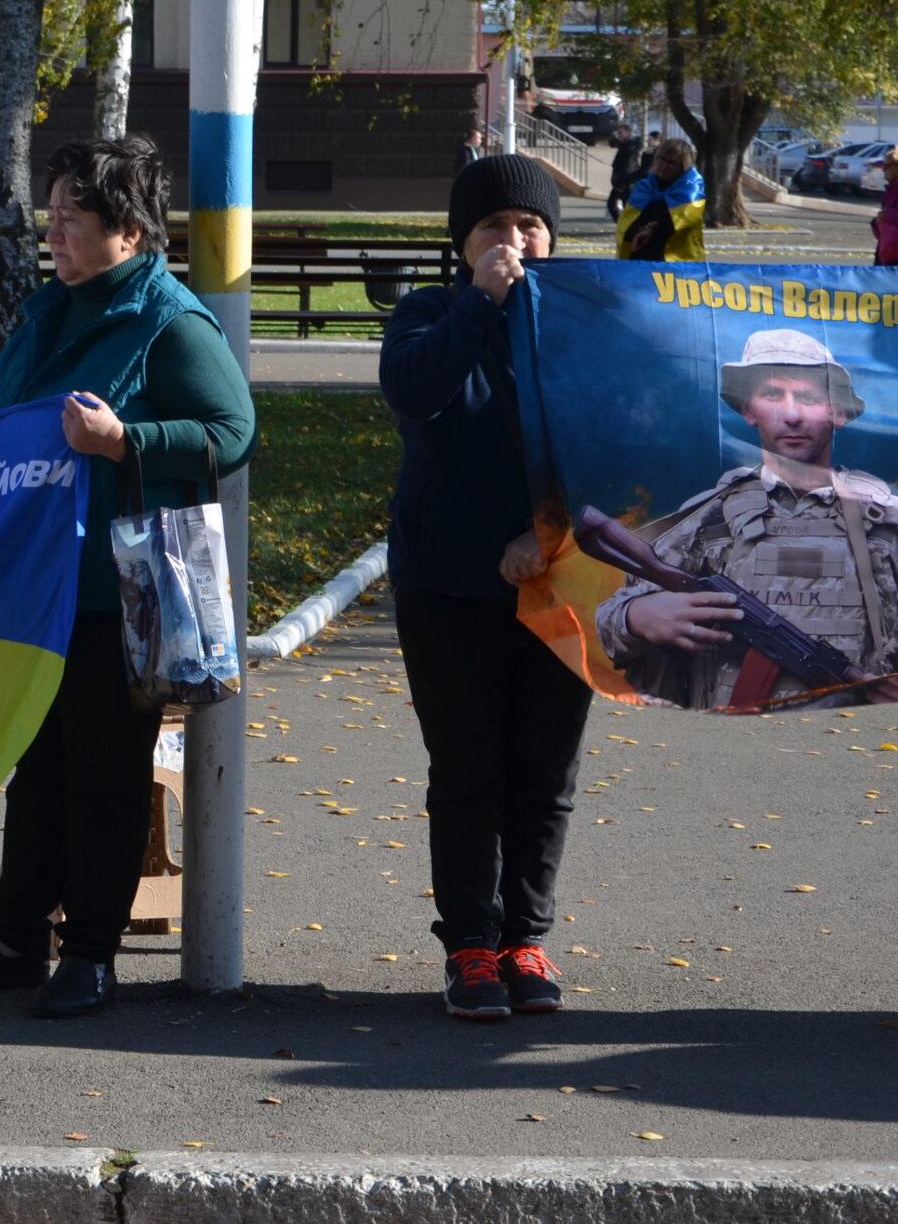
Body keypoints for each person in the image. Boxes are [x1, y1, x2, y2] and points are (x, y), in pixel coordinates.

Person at [0, 136, 256, 1019]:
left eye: (74, 217)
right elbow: (7, 418)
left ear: (131, 233)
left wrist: (126, 442)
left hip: (116, 594)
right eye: (51, 214)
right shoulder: (46, 308)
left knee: (105, 777)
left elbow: (233, 431)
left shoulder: (169, 321)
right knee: (34, 773)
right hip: (34, 587)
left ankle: (93, 954)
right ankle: (14, 941)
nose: (54, 232)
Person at [378, 154, 592, 1020]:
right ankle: (471, 946)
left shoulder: (579, 327)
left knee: (544, 772)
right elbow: (416, 392)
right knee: (466, 770)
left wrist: (544, 533)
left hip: (559, 582)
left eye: (528, 227)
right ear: (462, 244)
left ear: (551, 236)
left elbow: (613, 447)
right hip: (446, 586)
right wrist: (480, 304)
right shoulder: (430, 315)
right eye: (492, 229)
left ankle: (526, 942)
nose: (513, 242)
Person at [594, 331, 898, 710]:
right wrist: (638, 616)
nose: (792, 414)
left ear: (837, 412)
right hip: (728, 740)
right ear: (748, 409)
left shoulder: (884, 520)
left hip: (851, 740)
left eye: (809, 397)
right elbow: (610, 616)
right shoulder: (712, 517)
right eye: (773, 394)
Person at [618, 136, 705, 261]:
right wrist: (638, 231)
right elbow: (626, 222)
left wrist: (652, 231)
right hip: (641, 255)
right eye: (662, 159)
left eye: (672, 163)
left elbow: (683, 221)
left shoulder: (691, 189)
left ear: (683, 167)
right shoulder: (644, 187)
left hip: (676, 261)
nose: (664, 166)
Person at [605, 123, 643, 222]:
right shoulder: (625, 144)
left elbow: (627, 167)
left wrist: (621, 184)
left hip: (625, 182)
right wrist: (614, 136)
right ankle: (623, 224)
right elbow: (612, 143)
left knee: (623, 205)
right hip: (621, 181)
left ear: (628, 133)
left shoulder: (631, 147)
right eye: (619, 133)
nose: (619, 135)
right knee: (615, 204)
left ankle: (626, 225)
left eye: (621, 133)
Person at [871, 148, 898, 265]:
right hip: (887, 253)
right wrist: (876, 222)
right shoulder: (891, 190)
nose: (883, 170)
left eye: (887, 165)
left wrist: (886, 215)